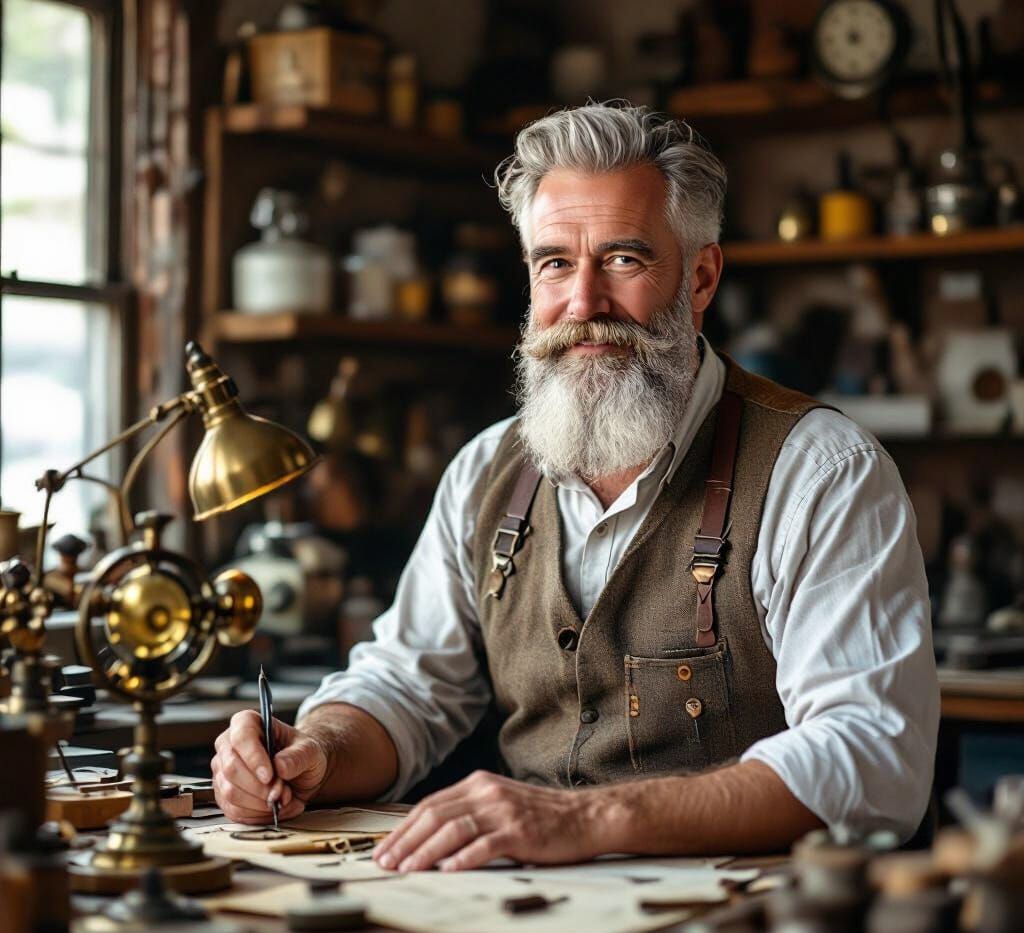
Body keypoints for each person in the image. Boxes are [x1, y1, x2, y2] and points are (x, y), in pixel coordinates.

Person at [211, 103, 938, 872]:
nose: (583, 304)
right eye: (555, 263)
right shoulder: (487, 471)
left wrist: (588, 818)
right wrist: (314, 753)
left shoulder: (819, 471)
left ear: (700, 277)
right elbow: (407, 684)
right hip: (539, 920)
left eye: (624, 259)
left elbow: (871, 761)